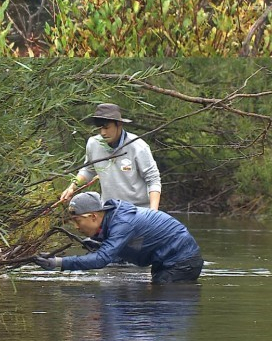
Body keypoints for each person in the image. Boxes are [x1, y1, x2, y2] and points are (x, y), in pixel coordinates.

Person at [35, 191, 203, 284]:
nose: (77, 227)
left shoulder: (122, 223)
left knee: (156, 300)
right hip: (170, 262)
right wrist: (100, 244)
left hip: (182, 263)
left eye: (77, 221)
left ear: (93, 216)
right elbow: (137, 246)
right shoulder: (114, 222)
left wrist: (57, 262)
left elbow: (101, 261)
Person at [60, 103, 162, 210]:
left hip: (138, 210)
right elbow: (88, 170)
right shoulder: (94, 144)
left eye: (107, 127)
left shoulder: (138, 146)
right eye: (100, 128)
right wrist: (72, 186)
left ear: (119, 124)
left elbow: (153, 180)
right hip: (109, 209)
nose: (103, 133)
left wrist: (153, 212)